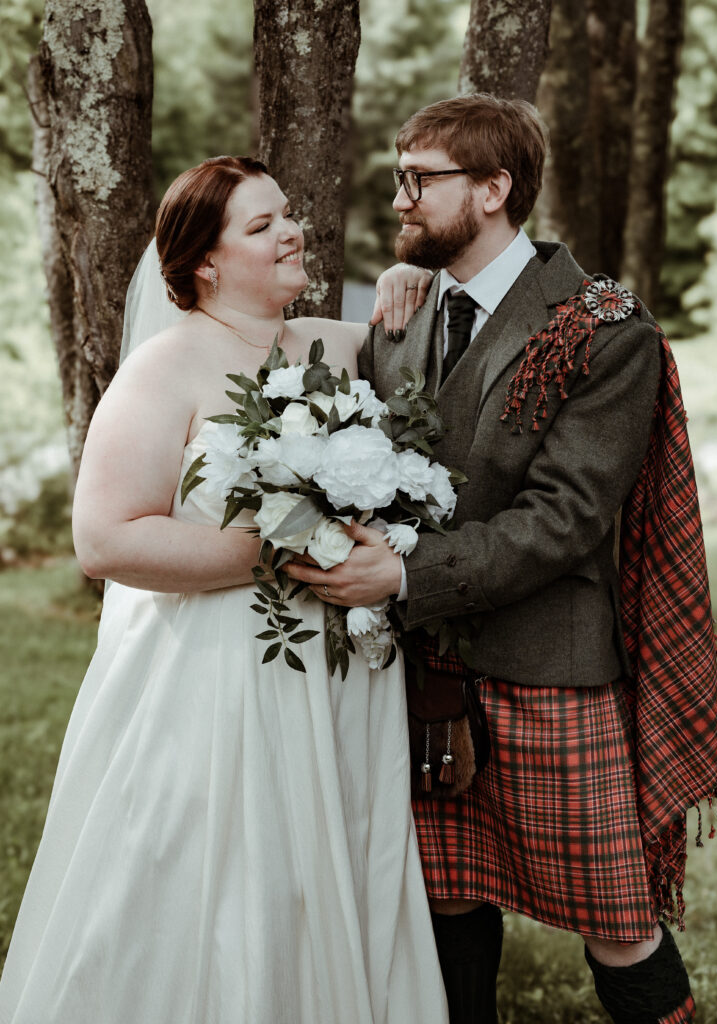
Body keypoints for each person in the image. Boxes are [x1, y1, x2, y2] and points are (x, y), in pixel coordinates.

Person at [287, 95, 717, 1023]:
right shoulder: (399, 314)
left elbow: (565, 517)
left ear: (494, 189)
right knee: (445, 896)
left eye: (422, 179)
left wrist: (403, 574)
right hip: (422, 674)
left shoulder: (604, 329)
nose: (400, 196)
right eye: (399, 175)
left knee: (616, 914)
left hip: (544, 668)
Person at [0, 156, 448, 1024]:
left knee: (329, 863)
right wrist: (277, 551)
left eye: (287, 214)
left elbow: (430, 322)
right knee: (225, 876)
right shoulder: (164, 368)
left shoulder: (337, 343)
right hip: (212, 681)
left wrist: (406, 275)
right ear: (204, 261)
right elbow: (104, 539)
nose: (292, 231)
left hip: (337, 679)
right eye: (261, 225)